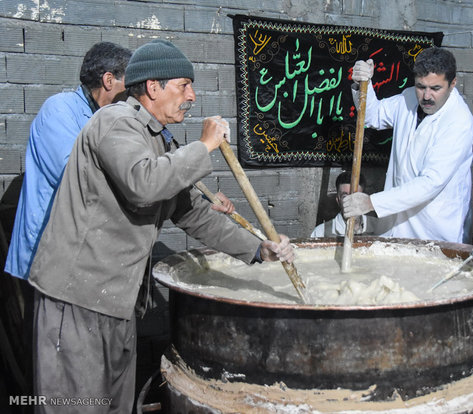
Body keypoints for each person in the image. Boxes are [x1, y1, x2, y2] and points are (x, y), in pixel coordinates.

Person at [27, 39, 295, 413]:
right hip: (78, 299)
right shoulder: (114, 121)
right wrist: (203, 147)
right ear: (153, 87)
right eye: (184, 85)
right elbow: (144, 184)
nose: (192, 96)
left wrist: (255, 248)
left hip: (116, 303)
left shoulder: (157, 140)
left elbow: (191, 212)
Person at [5, 42, 132, 280]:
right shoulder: (59, 109)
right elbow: (75, 176)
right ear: (108, 80)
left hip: (77, 255)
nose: (132, 94)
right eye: (129, 84)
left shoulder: (104, 117)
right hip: (45, 253)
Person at [342, 47, 473, 243]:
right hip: (398, 224)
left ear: (452, 83)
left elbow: (430, 183)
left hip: (434, 230)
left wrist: (371, 202)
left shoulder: (459, 122)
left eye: (435, 88)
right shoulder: (409, 97)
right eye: (421, 86)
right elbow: (373, 116)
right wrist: (364, 84)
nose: (426, 96)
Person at [310, 170, 382, 237]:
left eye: (356, 196)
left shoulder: (379, 228)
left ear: (363, 199)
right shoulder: (320, 233)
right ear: (338, 200)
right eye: (345, 196)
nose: (351, 201)